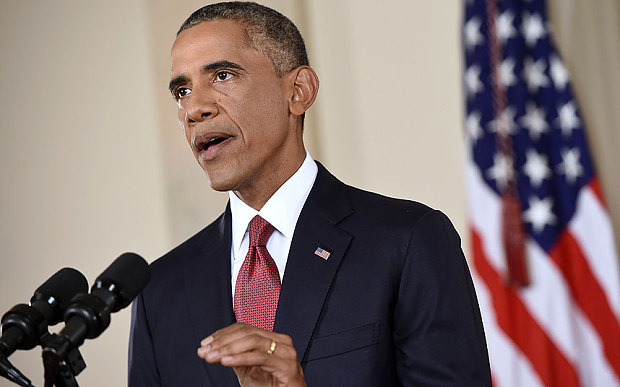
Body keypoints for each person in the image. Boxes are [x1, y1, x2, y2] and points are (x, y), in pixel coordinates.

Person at [128, 2, 492, 386]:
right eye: (182, 90)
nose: (194, 108)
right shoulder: (158, 290)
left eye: (222, 75)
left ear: (299, 91)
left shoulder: (408, 241)